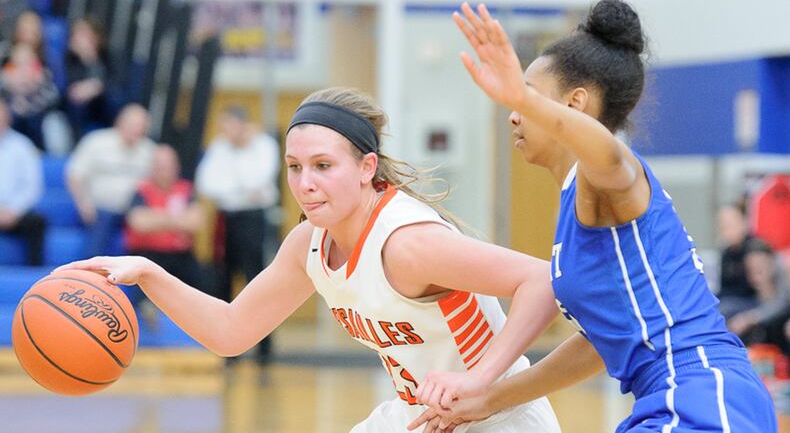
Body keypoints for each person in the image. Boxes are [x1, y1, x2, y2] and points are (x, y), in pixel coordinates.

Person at [58, 87, 561, 432]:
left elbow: (541, 281)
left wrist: (478, 380)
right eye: (295, 167)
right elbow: (232, 331)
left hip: (498, 417)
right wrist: (150, 274)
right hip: (420, 416)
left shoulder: (407, 243)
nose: (305, 184)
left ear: (367, 168)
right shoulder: (309, 244)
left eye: (323, 166)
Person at [410, 0, 777, 433]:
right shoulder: (577, 204)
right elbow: (600, 345)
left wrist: (521, 94)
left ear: (575, 103)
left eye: (528, 96)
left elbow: (607, 154)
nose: (513, 113)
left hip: (699, 391)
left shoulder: (607, 175)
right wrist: (488, 399)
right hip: (678, 397)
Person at [194, 105, 280, 364]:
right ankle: (228, 349)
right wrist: (239, 188)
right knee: (224, 277)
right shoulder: (220, 148)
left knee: (257, 279)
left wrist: (234, 185)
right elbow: (207, 184)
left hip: (254, 218)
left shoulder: (264, 145)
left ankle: (264, 349)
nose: (225, 132)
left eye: (229, 125)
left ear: (242, 124)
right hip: (226, 219)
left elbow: (259, 179)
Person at [66, 103, 156, 257]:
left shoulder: (150, 150)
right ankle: (88, 274)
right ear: (120, 122)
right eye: (133, 124)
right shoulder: (96, 141)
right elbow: (75, 176)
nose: (137, 129)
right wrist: (83, 204)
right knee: (101, 228)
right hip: (98, 209)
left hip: (134, 212)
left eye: (141, 126)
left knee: (150, 227)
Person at [125, 144, 210, 302]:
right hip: (148, 254)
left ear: (176, 167)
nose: (163, 171)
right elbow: (139, 223)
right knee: (142, 290)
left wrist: (157, 217)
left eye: (167, 166)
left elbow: (197, 221)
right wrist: (178, 219)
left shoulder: (186, 188)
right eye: (159, 166)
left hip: (180, 255)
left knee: (206, 283)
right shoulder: (142, 189)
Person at [0, 99, 46, 265]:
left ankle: (36, 279)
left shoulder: (22, 146)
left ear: (8, 119)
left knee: (37, 222)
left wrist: (13, 210)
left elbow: (32, 187)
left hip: (15, 212)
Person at [728, 239, 790, 348]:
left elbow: (780, 304)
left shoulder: (784, 288)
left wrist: (750, 318)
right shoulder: (745, 295)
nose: (755, 276)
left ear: (772, 264)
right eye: (751, 270)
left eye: (760, 269)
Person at [716, 202, 761, 319]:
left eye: (731, 224)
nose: (727, 230)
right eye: (723, 226)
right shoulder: (727, 253)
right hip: (730, 301)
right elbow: (723, 286)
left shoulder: (754, 249)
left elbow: (753, 288)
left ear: (744, 222)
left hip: (754, 301)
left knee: (722, 310)